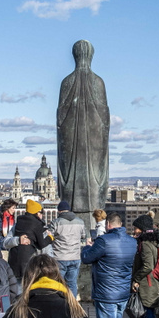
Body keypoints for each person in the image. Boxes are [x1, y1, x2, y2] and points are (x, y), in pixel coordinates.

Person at [80, 212, 137, 318]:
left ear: (109, 225)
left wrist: (88, 246)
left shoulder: (104, 241)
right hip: (122, 292)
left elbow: (86, 259)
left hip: (106, 293)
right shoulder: (132, 242)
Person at [56, 39, 110, 214]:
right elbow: (104, 118)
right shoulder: (98, 81)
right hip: (94, 139)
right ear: (91, 55)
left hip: (70, 141)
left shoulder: (66, 82)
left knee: (72, 174)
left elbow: (60, 118)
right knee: (95, 175)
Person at [45, 200, 89, 298]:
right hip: (75, 257)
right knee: (72, 283)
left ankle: (59, 303)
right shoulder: (80, 222)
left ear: (59, 211)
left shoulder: (55, 222)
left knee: (58, 283)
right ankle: (72, 305)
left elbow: (48, 236)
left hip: (60, 257)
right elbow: (83, 236)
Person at [8, 199, 50, 280]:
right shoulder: (37, 224)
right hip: (29, 261)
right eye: (41, 212)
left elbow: (6, 242)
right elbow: (41, 245)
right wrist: (50, 238)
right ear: (36, 213)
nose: (42, 215)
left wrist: (17, 240)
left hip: (14, 261)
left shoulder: (19, 223)